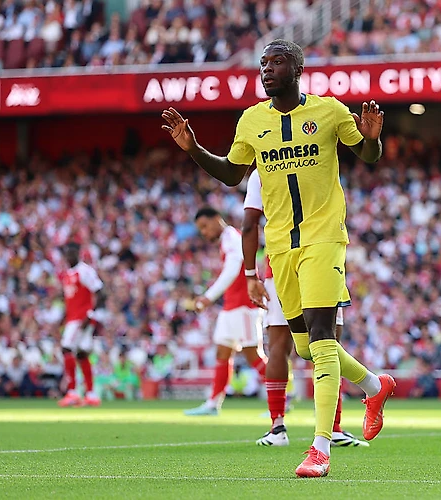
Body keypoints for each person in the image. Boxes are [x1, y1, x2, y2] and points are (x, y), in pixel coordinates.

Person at [161, 39, 395, 477]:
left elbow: (367, 155)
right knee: (304, 347)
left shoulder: (329, 111)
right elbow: (232, 173)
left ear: (298, 69)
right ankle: (373, 385)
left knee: (321, 338)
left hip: (324, 239)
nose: (267, 69)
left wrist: (372, 139)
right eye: (263, 63)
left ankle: (320, 448)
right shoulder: (252, 120)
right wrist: (193, 149)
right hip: (281, 248)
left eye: (278, 62)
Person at [242, 168, 368, 448]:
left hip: (280, 268)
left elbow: (250, 222)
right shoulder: (317, 158)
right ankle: (334, 427)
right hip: (321, 262)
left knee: (279, 347)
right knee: (329, 343)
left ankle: (277, 427)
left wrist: (251, 275)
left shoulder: (262, 171)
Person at [184, 207, 268, 416]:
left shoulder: (231, 237)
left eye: (205, 226)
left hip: (244, 305)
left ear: (217, 219)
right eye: (200, 229)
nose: (204, 232)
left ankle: (282, 398)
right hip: (231, 306)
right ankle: (213, 403)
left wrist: (208, 297)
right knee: (222, 352)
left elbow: (232, 270)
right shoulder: (227, 239)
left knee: (252, 354)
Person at [58, 242, 105, 407]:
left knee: (66, 348)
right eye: (67, 252)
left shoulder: (85, 271)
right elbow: (70, 299)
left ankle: (72, 392)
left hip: (81, 318)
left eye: (72, 252)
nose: (69, 255)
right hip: (73, 317)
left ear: (78, 253)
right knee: (82, 354)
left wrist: (90, 315)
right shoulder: (67, 274)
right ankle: (91, 394)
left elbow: (100, 293)